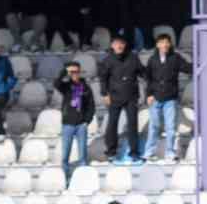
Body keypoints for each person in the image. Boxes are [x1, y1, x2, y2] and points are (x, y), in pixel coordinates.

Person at [143, 32, 190, 162]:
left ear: (170, 44)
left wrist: (201, 63)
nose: (164, 44)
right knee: (154, 126)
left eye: (166, 42)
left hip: (170, 98)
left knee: (170, 126)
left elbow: (187, 68)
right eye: (161, 42)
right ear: (157, 44)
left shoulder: (175, 58)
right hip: (155, 98)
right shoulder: (152, 60)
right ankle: (148, 153)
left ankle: (170, 152)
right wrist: (149, 95)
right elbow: (149, 79)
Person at [97, 35, 142, 163]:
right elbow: (103, 78)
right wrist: (104, 94)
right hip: (115, 97)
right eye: (117, 43)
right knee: (112, 124)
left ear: (125, 45)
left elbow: (142, 72)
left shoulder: (133, 58)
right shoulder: (107, 60)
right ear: (112, 45)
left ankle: (134, 153)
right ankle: (111, 152)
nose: (119, 46)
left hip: (131, 97)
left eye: (122, 43)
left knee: (133, 125)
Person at [54, 62, 96, 186]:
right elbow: (56, 84)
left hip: (81, 125)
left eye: (76, 71)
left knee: (83, 156)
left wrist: (86, 121)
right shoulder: (66, 86)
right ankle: (65, 180)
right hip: (67, 124)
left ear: (80, 72)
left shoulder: (86, 87)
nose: (74, 74)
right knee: (65, 155)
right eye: (72, 72)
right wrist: (64, 72)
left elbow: (91, 106)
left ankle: (83, 182)